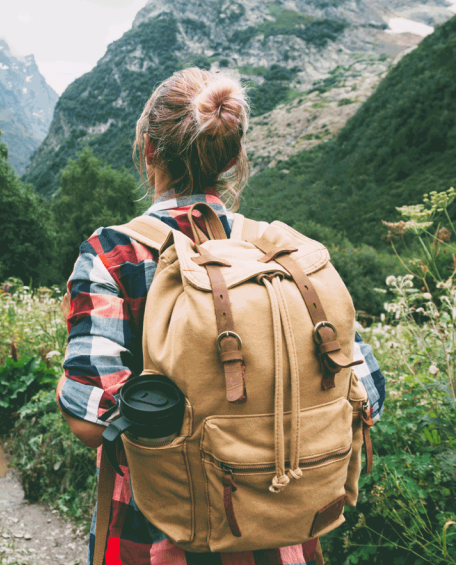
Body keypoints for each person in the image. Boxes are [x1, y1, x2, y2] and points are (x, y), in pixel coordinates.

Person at [56, 67, 386, 565]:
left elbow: (87, 418)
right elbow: (368, 395)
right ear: (233, 158)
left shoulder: (115, 254)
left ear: (148, 149)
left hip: (156, 536)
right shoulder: (281, 256)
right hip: (281, 534)